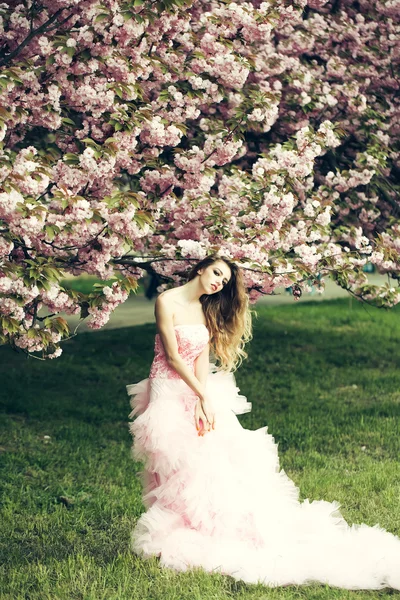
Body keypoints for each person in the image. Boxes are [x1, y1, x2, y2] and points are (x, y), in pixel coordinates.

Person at [127, 254, 400, 589]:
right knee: (173, 460)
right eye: (215, 274)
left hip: (197, 390)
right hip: (168, 389)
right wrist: (200, 394)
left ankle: (211, 525)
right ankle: (173, 522)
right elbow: (171, 356)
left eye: (223, 281)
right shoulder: (167, 301)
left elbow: (200, 357)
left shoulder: (203, 309)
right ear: (200, 268)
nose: (217, 283)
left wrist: (204, 399)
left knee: (212, 455)